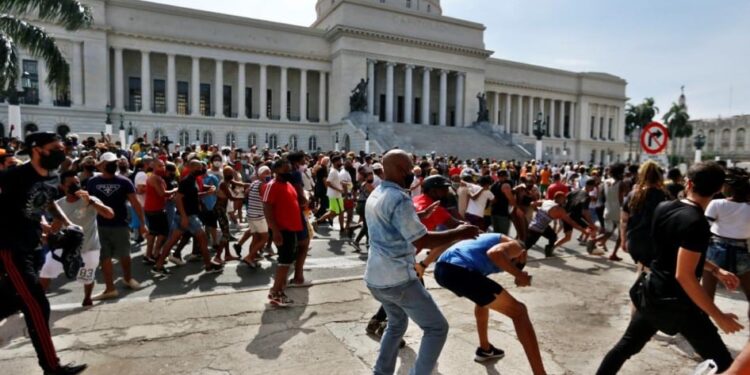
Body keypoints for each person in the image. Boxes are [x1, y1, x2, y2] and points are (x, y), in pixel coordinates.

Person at [597, 162, 742, 374]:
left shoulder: (664, 208)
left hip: (653, 292)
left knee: (624, 347)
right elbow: (684, 276)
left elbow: (670, 253)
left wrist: (715, 270)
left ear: (688, 183)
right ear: (719, 189)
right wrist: (718, 315)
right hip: (679, 304)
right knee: (723, 363)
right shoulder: (696, 222)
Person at [364, 149, 479, 375]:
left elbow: (391, 223)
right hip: (398, 278)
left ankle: (381, 372)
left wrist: (420, 216)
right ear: (398, 169)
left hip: (375, 277)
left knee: (396, 324)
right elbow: (423, 239)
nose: (412, 174)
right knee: (436, 328)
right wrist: (459, 233)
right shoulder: (399, 198)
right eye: (409, 169)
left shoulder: (376, 193)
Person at [0, 132, 87, 374]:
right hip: (10, 249)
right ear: (37, 149)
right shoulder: (13, 177)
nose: (62, 151)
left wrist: (65, 223)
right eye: (56, 147)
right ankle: (51, 367)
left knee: (11, 303)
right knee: (36, 304)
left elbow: (47, 201)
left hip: (33, 246)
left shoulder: (52, 176)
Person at [434, 234, 547, 374]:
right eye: (514, 262)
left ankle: (485, 349)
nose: (509, 266)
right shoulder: (515, 246)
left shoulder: (482, 246)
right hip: (458, 270)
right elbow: (495, 253)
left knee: (483, 301)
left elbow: (483, 298)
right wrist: (519, 274)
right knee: (519, 311)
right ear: (522, 255)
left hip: (442, 271)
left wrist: (516, 272)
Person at [40, 171, 114, 307]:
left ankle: (87, 298)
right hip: (65, 247)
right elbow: (55, 228)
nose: (75, 186)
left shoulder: (90, 199)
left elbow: (109, 214)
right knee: (47, 269)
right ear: (62, 187)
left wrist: (91, 202)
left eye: (77, 183)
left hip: (89, 246)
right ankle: (38, 300)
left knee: (87, 276)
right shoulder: (59, 204)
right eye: (71, 185)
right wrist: (46, 229)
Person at [87, 152, 146, 300]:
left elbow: (135, 203)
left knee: (125, 254)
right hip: (99, 225)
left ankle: (127, 278)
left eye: (113, 163)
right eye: (109, 163)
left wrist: (142, 224)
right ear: (100, 165)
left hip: (120, 224)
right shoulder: (92, 182)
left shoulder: (125, 181)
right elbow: (87, 205)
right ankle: (110, 288)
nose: (112, 165)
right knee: (105, 257)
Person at [153, 160, 224, 274]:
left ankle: (158, 266)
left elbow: (192, 196)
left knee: (172, 241)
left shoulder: (193, 180)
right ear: (191, 168)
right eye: (198, 167)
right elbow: (178, 198)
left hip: (184, 215)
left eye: (201, 167)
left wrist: (207, 193)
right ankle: (209, 266)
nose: (201, 169)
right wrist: (185, 217)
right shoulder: (186, 181)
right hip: (188, 216)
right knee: (203, 239)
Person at [702, 168, 750, 325]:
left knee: (707, 295)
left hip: (715, 249)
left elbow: (703, 229)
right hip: (742, 251)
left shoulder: (717, 204)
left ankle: (704, 331)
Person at [263, 158, 303, 306]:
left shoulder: (288, 184)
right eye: (285, 170)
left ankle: (279, 290)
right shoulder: (271, 186)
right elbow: (267, 208)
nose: (289, 173)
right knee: (284, 261)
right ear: (276, 170)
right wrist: (275, 231)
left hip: (291, 229)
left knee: (287, 261)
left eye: (289, 170)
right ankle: (276, 292)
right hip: (283, 230)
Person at [620, 161, 667, 269]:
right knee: (648, 273)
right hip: (654, 244)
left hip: (634, 242)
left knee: (642, 270)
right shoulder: (664, 196)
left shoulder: (633, 195)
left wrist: (623, 240)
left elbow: (624, 220)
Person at [525, 192, 595, 257]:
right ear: (560, 199)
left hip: (536, 225)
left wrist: (538, 210)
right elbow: (571, 222)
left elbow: (532, 203)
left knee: (553, 236)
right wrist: (583, 230)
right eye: (564, 199)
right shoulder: (559, 210)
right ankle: (516, 257)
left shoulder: (546, 201)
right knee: (526, 246)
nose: (565, 201)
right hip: (537, 229)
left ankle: (548, 251)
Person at [235, 166, 271, 267]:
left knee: (255, 238)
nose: (268, 175)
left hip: (251, 214)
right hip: (258, 215)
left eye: (269, 173)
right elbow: (266, 200)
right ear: (259, 174)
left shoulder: (254, 183)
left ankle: (252, 258)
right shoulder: (262, 185)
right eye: (265, 173)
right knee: (264, 238)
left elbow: (246, 193)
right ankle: (250, 257)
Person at [601, 163, 626, 261]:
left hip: (607, 209)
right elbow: (621, 199)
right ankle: (613, 254)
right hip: (618, 211)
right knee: (620, 235)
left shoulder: (606, 181)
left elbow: (603, 195)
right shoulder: (621, 183)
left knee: (609, 231)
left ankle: (595, 240)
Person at [315, 155, 345, 230]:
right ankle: (318, 221)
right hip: (334, 195)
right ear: (335, 162)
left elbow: (336, 181)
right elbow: (328, 182)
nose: (341, 163)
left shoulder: (336, 171)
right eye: (339, 161)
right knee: (335, 212)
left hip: (337, 194)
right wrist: (338, 189)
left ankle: (342, 228)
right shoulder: (333, 171)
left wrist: (343, 184)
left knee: (339, 211)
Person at [489, 170, 515, 235]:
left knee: (495, 234)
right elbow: (511, 200)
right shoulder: (506, 185)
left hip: (494, 212)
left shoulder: (494, 184)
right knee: (503, 235)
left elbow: (491, 199)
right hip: (503, 214)